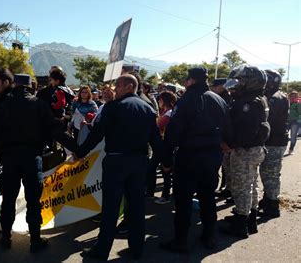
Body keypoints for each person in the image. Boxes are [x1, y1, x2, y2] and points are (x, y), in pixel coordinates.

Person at [77, 74, 167, 261]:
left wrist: (80, 152)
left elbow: (97, 135)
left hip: (116, 163)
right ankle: (137, 249)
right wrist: (168, 162)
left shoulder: (113, 107)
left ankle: (102, 250)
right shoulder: (148, 109)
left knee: (110, 208)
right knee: (136, 206)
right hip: (139, 163)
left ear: (128, 86)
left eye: (118, 85)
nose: (114, 89)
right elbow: (156, 140)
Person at [0, 73, 76, 253]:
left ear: (15, 85)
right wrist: (78, 148)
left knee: (8, 200)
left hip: (9, 160)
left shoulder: (4, 106)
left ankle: (5, 237)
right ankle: (35, 240)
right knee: (34, 201)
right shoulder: (39, 105)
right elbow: (56, 131)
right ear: (30, 86)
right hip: (32, 159)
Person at [160, 67, 227, 253]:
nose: (185, 82)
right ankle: (209, 236)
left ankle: (180, 240)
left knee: (183, 200)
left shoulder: (187, 100)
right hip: (213, 156)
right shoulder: (218, 99)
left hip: (189, 156)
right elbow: (227, 127)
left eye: (186, 79)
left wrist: (166, 159)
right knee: (208, 197)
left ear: (192, 81)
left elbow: (173, 131)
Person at [220, 66, 270, 239]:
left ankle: (241, 224)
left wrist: (231, 145)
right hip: (255, 149)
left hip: (245, 150)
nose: (237, 85)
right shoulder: (258, 99)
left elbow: (246, 131)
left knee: (241, 187)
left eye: (241, 81)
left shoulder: (247, 103)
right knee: (251, 185)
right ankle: (250, 219)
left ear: (250, 83)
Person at [258, 70, 289, 219]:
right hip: (276, 140)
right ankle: (268, 199)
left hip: (274, 141)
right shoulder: (280, 95)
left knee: (270, 174)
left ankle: (272, 205)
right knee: (269, 172)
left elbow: (268, 120)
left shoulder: (274, 98)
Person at [151, 91, 177, 205]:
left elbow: (157, 126)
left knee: (166, 171)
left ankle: (165, 196)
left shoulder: (169, 113)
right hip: (163, 146)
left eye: (160, 100)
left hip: (166, 146)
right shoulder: (167, 112)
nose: (159, 102)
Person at [210, 78, 233, 196]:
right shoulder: (220, 98)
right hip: (220, 136)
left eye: (214, 86)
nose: (212, 88)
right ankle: (225, 186)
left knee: (225, 166)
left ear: (222, 86)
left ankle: (226, 187)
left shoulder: (226, 99)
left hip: (224, 138)